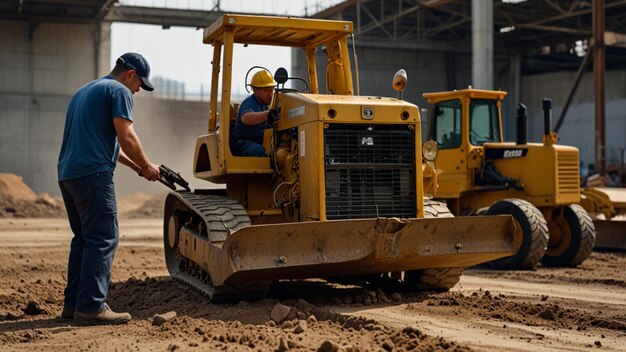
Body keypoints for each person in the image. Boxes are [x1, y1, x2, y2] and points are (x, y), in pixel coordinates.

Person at [57, 52, 160, 325]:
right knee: (104, 237)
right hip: (93, 175)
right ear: (130, 74)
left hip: (69, 175)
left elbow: (108, 145)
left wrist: (137, 167)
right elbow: (125, 136)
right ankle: (91, 307)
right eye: (140, 85)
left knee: (84, 238)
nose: (138, 91)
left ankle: (73, 305)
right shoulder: (119, 91)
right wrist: (148, 165)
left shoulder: (86, 90)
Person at [230, 70, 279, 156]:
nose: (270, 94)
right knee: (260, 151)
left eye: (271, 90)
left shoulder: (264, 105)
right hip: (242, 143)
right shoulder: (249, 103)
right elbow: (246, 118)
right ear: (255, 90)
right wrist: (268, 114)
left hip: (257, 142)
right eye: (266, 90)